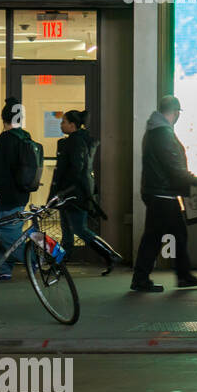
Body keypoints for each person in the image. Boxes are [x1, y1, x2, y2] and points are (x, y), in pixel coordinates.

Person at [131, 96, 197, 293]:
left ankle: (181, 275)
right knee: (156, 237)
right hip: (162, 193)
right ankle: (145, 278)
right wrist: (195, 180)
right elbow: (173, 165)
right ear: (175, 112)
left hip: (159, 192)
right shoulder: (162, 133)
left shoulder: (154, 130)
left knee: (170, 234)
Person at [49, 109, 121, 275]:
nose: (61, 125)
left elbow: (76, 168)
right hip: (72, 193)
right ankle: (59, 264)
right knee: (67, 231)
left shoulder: (75, 143)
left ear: (72, 125)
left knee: (78, 229)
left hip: (74, 194)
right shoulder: (79, 141)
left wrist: (64, 189)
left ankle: (110, 255)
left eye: (64, 122)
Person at [0, 98, 36, 281]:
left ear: (4, 118)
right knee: (10, 230)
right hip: (22, 192)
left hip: (8, 193)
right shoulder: (25, 136)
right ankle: (3, 269)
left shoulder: (6, 138)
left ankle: (33, 262)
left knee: (5, 232)